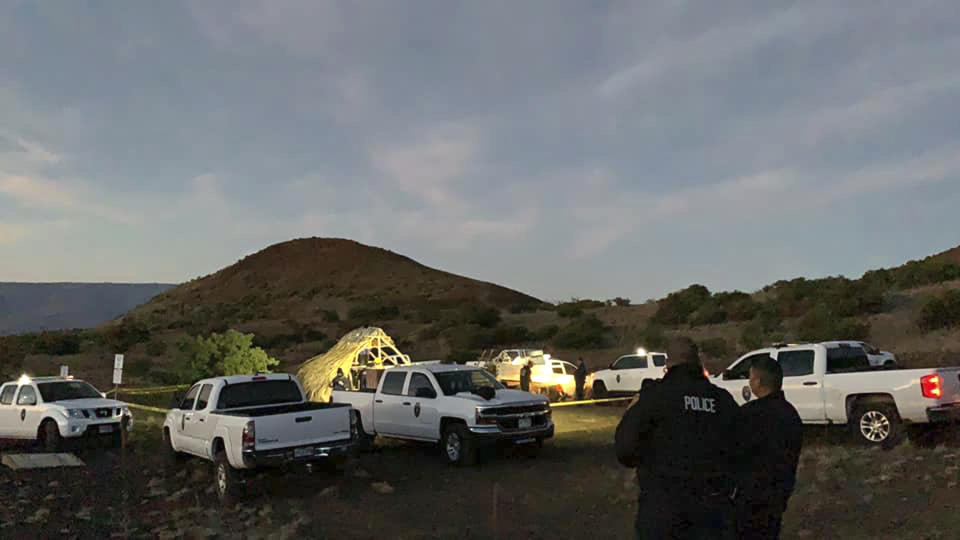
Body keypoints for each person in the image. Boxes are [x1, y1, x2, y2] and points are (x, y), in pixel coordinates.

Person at [615, 337, 740, 540]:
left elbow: (625, 449)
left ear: (667, 363)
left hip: (663, 511)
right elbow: (741, 448)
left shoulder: (654, 397)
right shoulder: (722, 400)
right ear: (698, 361)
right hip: (713, 513)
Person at [735, 355, 803, 540]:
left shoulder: (749, 415)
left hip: (749, 502)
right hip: (778, 499)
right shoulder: (791, 415)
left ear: (757, 381)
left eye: (750, 377)